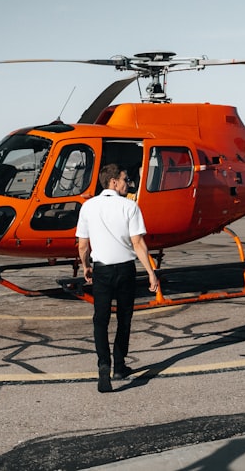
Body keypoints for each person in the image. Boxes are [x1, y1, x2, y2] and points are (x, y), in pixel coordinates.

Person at [76, 163, 160, 393]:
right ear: (113, 182)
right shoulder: (129, 206)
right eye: (124, 179)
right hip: (125, 270)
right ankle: (120, 365)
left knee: (100, 320)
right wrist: (151, 273)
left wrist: (86, 266)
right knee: (124, 318)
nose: (127, 184)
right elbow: (138, 243)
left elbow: (83, 245)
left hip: (101, 270)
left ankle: (104, 364)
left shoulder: (88, 207)